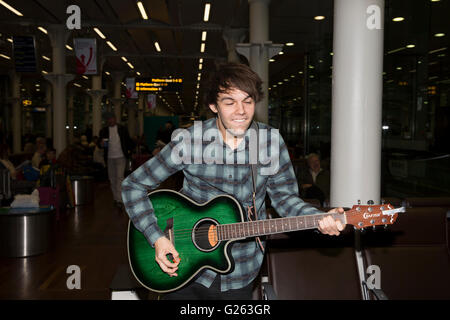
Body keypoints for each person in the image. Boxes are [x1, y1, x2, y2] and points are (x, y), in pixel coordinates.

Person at [121, 62, 345, 300]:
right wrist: (156, 238)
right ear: (213, 105)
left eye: (247, 101)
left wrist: (316, 217)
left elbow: (285, 198)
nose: (241, 111)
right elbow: (133, 185)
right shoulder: (189, 141)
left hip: (241, 268)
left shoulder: (269, 142)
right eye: (229, 102)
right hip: (181, 262)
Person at [99, 112, 133, 207]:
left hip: (121, 157)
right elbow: (100, 144)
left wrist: (130, 152)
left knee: (120, 177)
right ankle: (115, 198)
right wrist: (101, 144)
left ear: (115, 119)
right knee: (112, 179)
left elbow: (128, 141)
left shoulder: (123, 129)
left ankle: (120, 200)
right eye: (108, 119)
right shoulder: (103, 131)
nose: (110, 120)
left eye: (112, 118)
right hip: (109, 158)